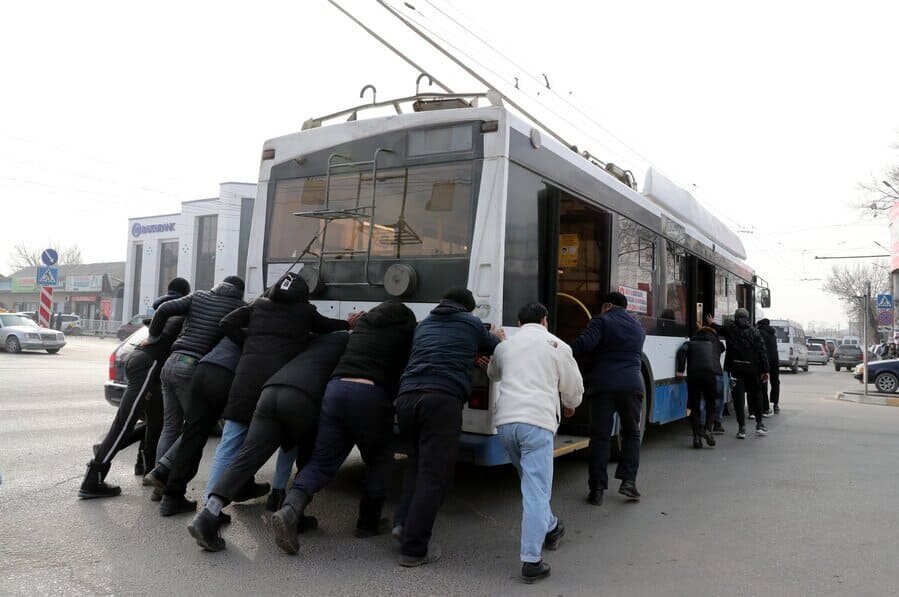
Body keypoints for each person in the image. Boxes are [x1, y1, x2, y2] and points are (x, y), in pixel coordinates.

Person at [194, 272, 357, 509]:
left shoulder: (258, 306)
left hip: (244, 382)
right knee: (287, 440)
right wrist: (349, 324)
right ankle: (278, 494)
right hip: (277, 382)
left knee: (230, 444)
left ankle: (211, 504)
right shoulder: (305, 313)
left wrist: (248, 344)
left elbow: (226, 323)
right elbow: (329, 327)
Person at [271, 301, 418, 555]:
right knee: (379, 459)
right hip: (371, 394)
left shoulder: (363, 326)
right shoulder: (404, 332)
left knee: (322, 461)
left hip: (336, 389)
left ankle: (290, 509)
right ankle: (368, 523)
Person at [187, 332, 349, 552]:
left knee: (246, 458)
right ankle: (293, 514)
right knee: (308, 458)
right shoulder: (349, 344)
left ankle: (208, 515)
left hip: (271, 391)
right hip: (304, 398)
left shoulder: (316, 341)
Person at [392, 287, 504, 567]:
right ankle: (415, 549)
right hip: (440, 400)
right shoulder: (470, 323)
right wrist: (498, 338)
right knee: (434, 475)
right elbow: (493, 345)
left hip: (406, 399)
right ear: (467, 308)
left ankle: (402, 524)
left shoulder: (425, 324)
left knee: (416, 463)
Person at [486, 302, 583, 584]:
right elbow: (573, 389)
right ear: (545, 320)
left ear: (518, 322)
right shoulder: (557, 345)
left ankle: (551, 527)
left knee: (530, 484)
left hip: (506, 425)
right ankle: (531, 561)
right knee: (536, 491)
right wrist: (570, 405)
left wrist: (500, 344)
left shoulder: (507, 347)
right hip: (537, 425)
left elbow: (494, 374)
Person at [77, 278, 190, 499]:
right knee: (125, 422)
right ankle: (93, 478)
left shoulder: (164, 311)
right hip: (149, 364)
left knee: (151, 421)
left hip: (139, 361)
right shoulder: (182, 313)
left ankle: (146, 469)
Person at [142, 276, 246, 496]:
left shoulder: (198, 296)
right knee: (196, 427)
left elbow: (163, 308)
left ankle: (158, 485)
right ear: (240, 291)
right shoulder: (239, 307)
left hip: (170, 363)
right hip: (192, 367)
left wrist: (153, 336)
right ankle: (162, 473)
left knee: (171, 427)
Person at [571, 291, 646, 506]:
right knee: (631, 433)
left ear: (608, 306)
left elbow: (584, 345)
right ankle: (628, 482)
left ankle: (597, 490)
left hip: (603, 385)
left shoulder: (601, 320)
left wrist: (563, 352)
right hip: (632, 385)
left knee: (600, 437)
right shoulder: (638, 328)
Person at [157, 336, 241, 517]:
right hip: (226, 375)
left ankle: (171, 496)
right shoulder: (270, 327)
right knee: (235, 436)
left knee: (192, 435)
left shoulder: (242, 317)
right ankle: (213, 510)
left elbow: (227, 323)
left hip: (203, 368)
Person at [706, 309, 770, 438]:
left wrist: (711, 322)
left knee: (738, 399)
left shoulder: (731, 330)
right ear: (747, 318)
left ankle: (742, 428)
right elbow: (762, 352)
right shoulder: (755, 332)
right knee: (756, 396)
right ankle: (759, 424)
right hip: (753, 371)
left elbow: (719, 329)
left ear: (736, 317)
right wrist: (765, 370)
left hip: (736, 370)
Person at [676, 326, 724, 449]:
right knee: (711, 405)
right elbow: (722, 348)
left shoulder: (690, 343)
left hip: (694, 376)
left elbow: (682, 351)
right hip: (710, 376)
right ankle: (708, 429)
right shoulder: (714, 344)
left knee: (694, 407)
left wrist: (680, 370)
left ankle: (696, 438)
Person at [756, 319, 781, 414]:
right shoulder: (773, 334)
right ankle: (776, 404)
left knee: (764, 382)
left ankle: (764, 406)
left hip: (765, 361)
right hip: (775, 361)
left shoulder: (760, 333)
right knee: (775, 382)